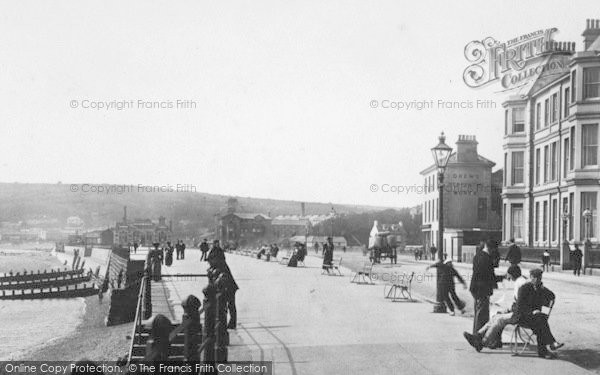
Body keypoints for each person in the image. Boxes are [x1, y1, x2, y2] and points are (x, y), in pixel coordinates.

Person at [463, 265, 528, 351]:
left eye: (509, 275)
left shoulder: (519, 284)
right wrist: (508, 309)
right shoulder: (522, 281)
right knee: (496, 316)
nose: (508, 277)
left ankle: (482, 342)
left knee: (498, 319)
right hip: (520, 311)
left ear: (512, 275)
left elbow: (520, 303)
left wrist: (510, 310)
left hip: (519, 314)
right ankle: (478, 336)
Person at [513, 268, 564, 359]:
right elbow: (520, 307)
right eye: (535, 278)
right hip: (523, 317)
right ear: (531, 277)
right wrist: (532, 312)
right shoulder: (524, 288)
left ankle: (545, 350)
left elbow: (552, 295)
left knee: (541, 321)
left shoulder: (540, 288)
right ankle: (550, 345)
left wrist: (543, 289)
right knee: (541, 321)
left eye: (539, 278)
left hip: (536, 318)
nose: (537, 280)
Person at [469, 239, 498, 334]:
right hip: (482, 289)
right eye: (493, 249)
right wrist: (498, 280)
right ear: (490, 248)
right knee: (482, 314)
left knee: (478, 313)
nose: (494, 252)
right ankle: (477, 337)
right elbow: (488, 275)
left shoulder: (477, 255)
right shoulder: (486, 258)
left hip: (475, 288)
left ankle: (477, 335)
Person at [207, 252, 239, 330]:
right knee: (227, 306)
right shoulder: (217, 264)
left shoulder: (221, 265)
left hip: (229, 287)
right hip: (225, 288)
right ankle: (228, 323)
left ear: (214, 259)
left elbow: (220, 277)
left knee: (230, 305)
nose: (209, 263)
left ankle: (232, 323)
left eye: (210, 261)